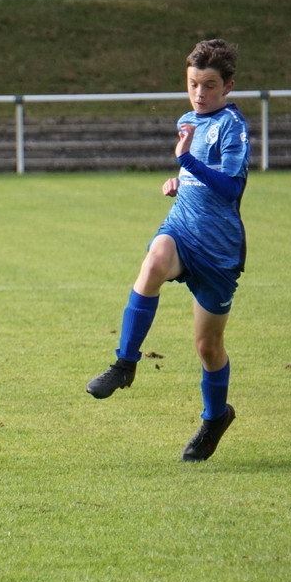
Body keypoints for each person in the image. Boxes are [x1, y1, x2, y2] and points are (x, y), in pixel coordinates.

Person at [86, 39, 250, 462]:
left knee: (207, 347)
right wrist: (180, 181)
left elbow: (231, 187)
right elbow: (195, 173)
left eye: (209, 85)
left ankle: (215, 418)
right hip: (182, 229)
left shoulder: (233, 126)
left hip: (218, 251)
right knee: (154, 261)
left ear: (228, 87)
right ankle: (124, 364)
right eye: (193, 84)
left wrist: (188, 165)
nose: (199, 93)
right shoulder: (187, 120)